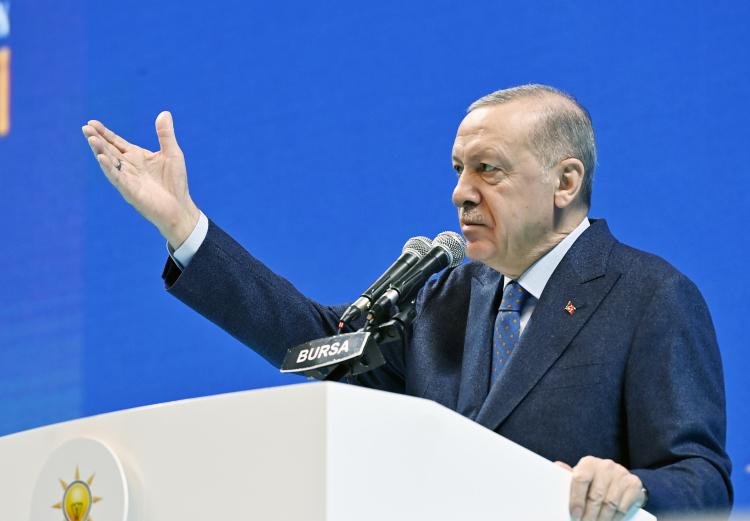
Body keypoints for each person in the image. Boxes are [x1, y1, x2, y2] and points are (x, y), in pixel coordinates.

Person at [82, 84, 732, 520]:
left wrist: (634, 488)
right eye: (457, 168)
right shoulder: (445, 296)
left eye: (488, 169)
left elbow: (701, 477)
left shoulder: (649, 295)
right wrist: (184, 226)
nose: (461, 192)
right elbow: (320, 344)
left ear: (565, 182)